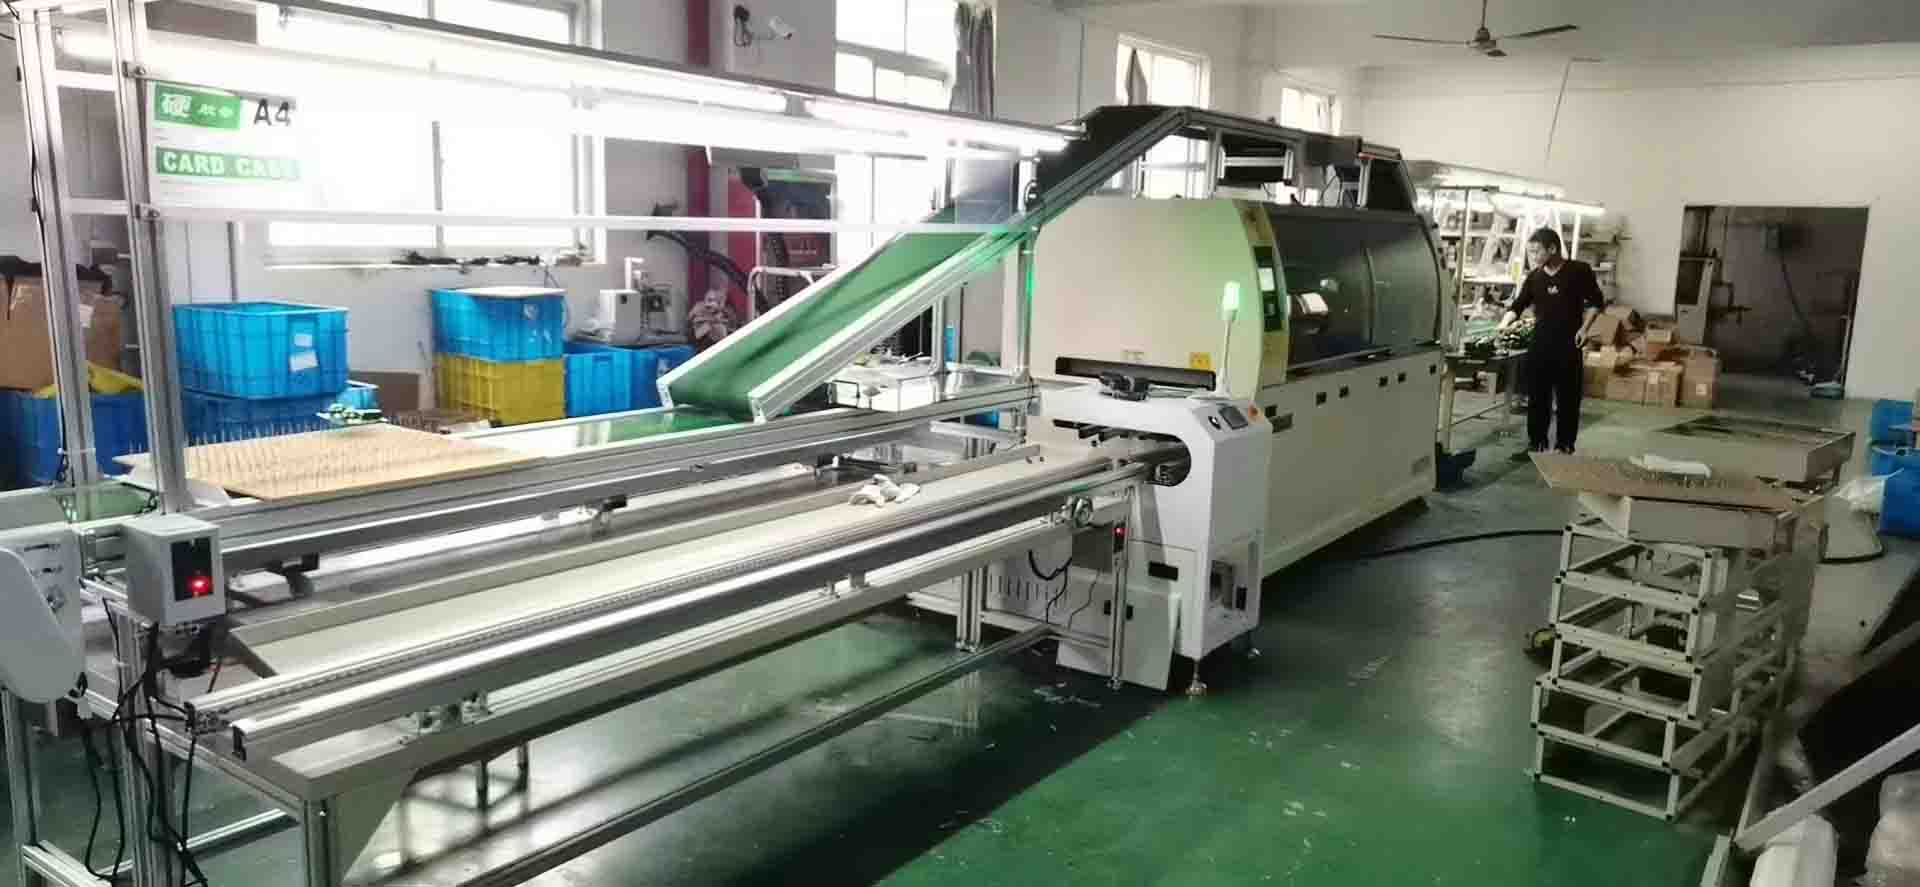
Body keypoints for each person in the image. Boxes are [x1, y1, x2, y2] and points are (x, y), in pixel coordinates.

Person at [1500, 227, 1603, 458]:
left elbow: (1596, 302)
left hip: (1569, 343)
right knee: (1538, 397)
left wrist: (1584, 329)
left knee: (1568, 397)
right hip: (1541, 344)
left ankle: (1564, 446)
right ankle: (1536, 444)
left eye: (1537, 251)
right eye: (1530, 252)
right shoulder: (1535, 277)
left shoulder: (1578, 271)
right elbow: (1518, 305)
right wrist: (1503, 324)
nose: (1533, 256)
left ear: (1553, 248)